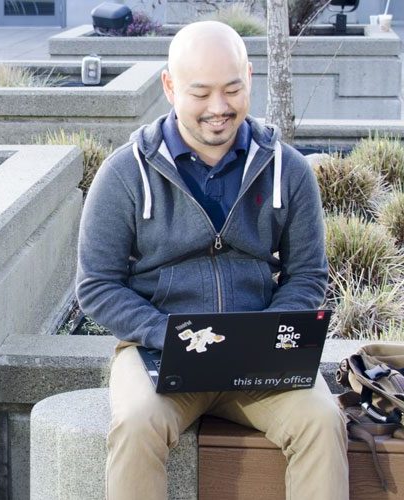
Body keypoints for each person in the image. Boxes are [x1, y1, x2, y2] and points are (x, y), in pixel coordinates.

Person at [75, 21, 349, 500]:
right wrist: (169, 334)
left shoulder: (290, 169)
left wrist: (268, 334)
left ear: (249, 76)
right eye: (200, 92)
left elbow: (308, 274)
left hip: (260, 358)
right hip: (159, 352)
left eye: (232, 89)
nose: (218, 108)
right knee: (136, 424)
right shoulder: (124, 173)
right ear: (169, 86)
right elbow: (96, 285)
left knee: (322, 421)